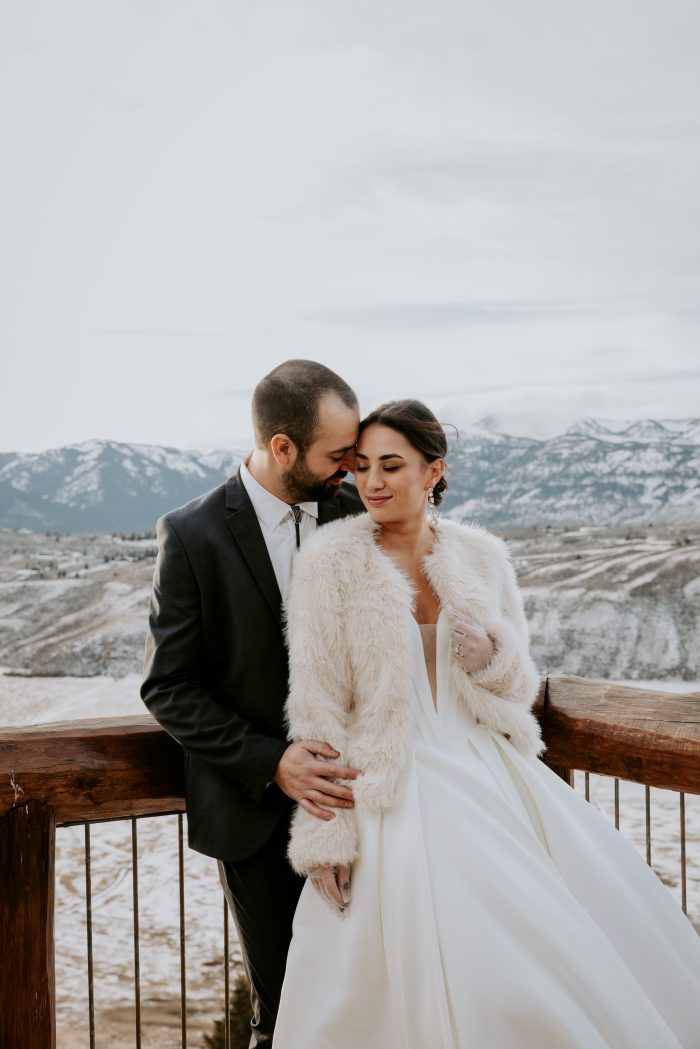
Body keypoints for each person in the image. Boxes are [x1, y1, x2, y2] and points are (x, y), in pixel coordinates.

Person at [273, 399, 700, 1049]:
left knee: (532, 955)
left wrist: (492, 657)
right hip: (387, 783)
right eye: (361, 467)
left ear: (433, 469)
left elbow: (522, 684)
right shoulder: (329, 561)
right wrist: (325, 832)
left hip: (487, 770)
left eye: (391, 465)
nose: (373, 482)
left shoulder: (482, 556)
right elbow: (317, 705)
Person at [141, 359, 366, 1048]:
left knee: (363, 997)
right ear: (282, 448)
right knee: (289, 1011)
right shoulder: (192, 534)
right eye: (337, 456)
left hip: (358, 807)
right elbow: (168, 686)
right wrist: (274, 762)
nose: (350, 470)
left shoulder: (351, 512)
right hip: (256, 820)